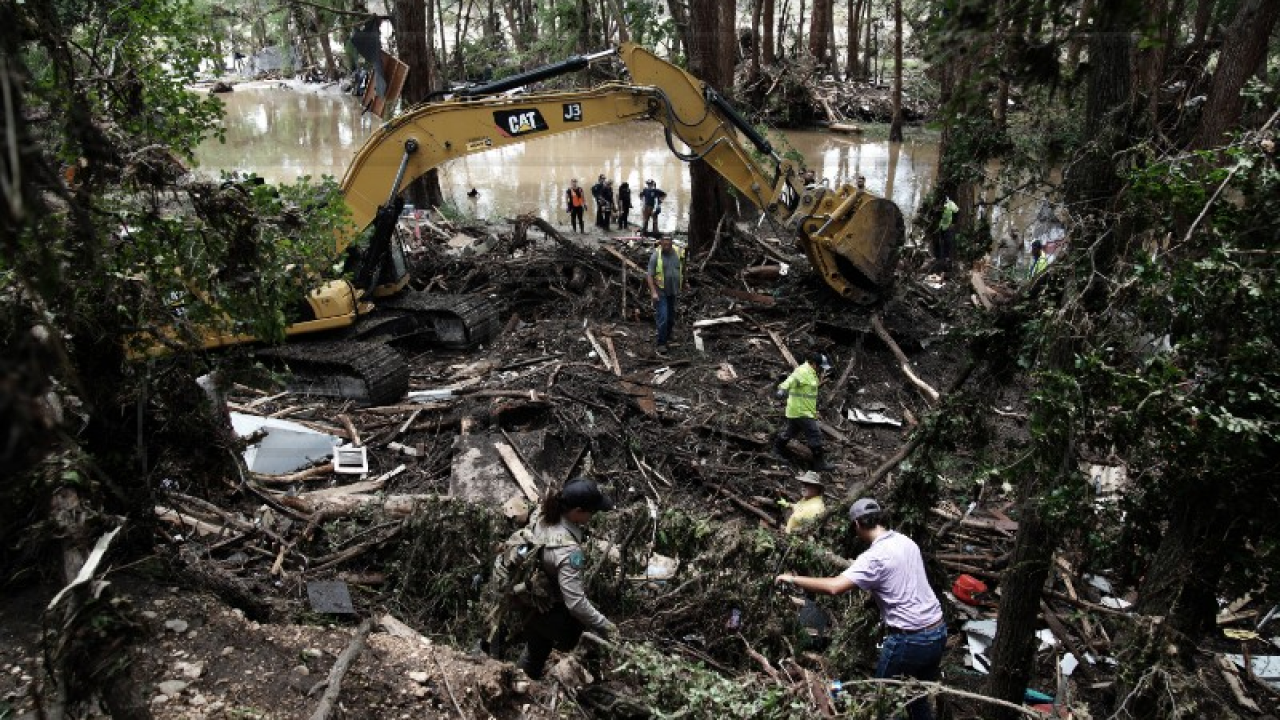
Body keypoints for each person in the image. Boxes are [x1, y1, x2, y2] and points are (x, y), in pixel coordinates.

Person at [776, 498, 946, 720]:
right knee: (917, 697)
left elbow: (835, 587)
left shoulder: (874, 558)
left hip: (910, 639)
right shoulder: (906, 542)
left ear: (857, 524)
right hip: (938, 631)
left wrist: (793, 579)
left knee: (880, 701)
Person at [516, 478, 619, 680]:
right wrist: (607, 626)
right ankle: (591, 686)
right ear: (578, 511)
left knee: (535, 651)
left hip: (532, 600)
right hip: (551, 611)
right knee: (589, 642)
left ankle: (521, 682)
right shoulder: (569, 552)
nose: (593, 516)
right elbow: (576, 603)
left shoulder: (543, 515)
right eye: (591, 511)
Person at [773, 351, 833, 471]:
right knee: (815, 434)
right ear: (815, 364)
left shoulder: (811, 372)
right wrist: (782, 390)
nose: (822, 370)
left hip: (799, 411)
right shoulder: (803, 371)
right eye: (821, 367)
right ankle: (819, 464)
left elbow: (808, 389)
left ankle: (776, 451)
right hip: (801, 411)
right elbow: (790, 381)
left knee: (790, 433)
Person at [646, 234, 683, 356]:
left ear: (672, 243)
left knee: (671, 317)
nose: (666, 246)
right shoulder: (656, 256)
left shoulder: (678, 253)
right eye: (664, 244)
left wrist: (685, 281)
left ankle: (668, 336)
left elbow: (682, 268)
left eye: (669, 244)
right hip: (660, 292)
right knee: (663, 317)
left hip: (673, 291)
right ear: (660, 243)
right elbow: (650, 276)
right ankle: (661, 343)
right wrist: (653, 292)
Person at [934, 196, 959, 267]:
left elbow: (957, 212)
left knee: (948, 242)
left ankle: (947, 258)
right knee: (939, 242)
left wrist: (953, 223)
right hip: (941, 226)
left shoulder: (951, 204)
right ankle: (939, 258)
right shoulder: (938, 205)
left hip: (949, 226)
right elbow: (937, 215)